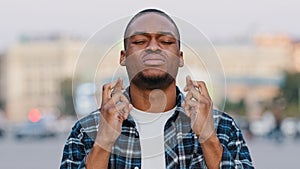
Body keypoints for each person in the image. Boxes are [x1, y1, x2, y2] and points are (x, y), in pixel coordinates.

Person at [60, 9, 253, 169]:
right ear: (123, 57)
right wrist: (103, 141)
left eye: (166, 42)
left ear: (180, 57)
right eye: (139, 42)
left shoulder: (222, 128)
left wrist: (208, 138)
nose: (153, 47)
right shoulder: (87, 131)